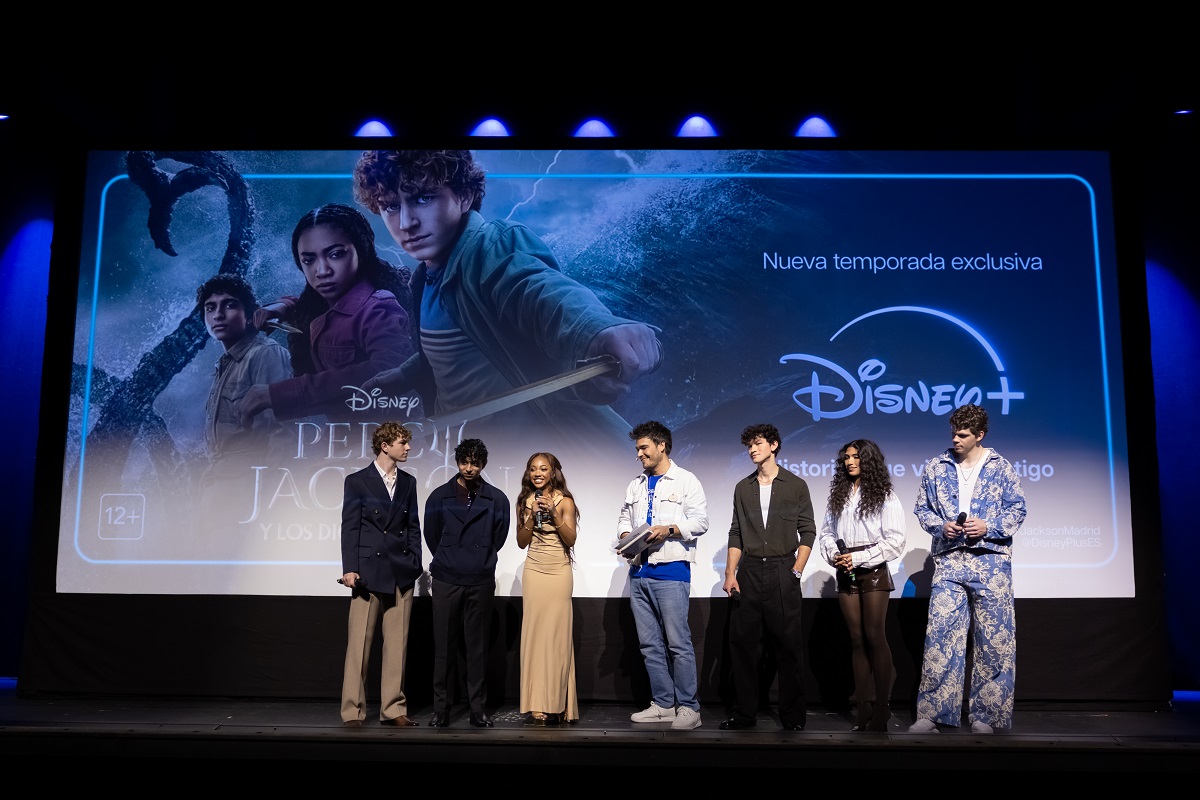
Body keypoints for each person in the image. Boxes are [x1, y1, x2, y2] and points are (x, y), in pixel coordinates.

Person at [352, 150, 662, 446]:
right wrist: (404, 374)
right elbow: (460, 346)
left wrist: (594, 331)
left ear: (463, 195)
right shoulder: (425, 278)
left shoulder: (491, 247)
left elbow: (537, 289)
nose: (406, 223)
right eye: (391, 206)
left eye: (423, 198)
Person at [908, 404, 1026, 735]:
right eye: (953, 433)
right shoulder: (937, 466)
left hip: (990, 563)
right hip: (949, 562)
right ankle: (932, 714)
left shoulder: (1001, 468)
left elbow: (1018, 509)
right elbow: (922, 508)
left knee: (994, 642)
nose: (955, 440)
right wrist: (939, 526)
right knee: (941, 637)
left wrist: (988, 526)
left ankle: (985, 717)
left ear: (979, 436)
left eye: (963, 435)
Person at [242, 203, 414, 424]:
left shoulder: (379, 307)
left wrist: (281, 393)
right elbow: (315, 309)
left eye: (335, 254)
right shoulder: (322, 303)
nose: (322, 271)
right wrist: (282, 306)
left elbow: (389, 369)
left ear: (360, 251)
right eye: (309, 260)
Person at [721, 423, 815, 732]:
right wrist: (730, 572)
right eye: (748, 445)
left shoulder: (795, 484)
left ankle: (792, 716)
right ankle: (744, 713)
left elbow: (808, 530)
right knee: (744, 646)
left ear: (773, 445)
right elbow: (735, 533)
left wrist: (796, 569)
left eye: (758, 443)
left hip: (781, 569)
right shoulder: (742, 487)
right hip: (749, 571)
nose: (752, 449)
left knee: (788, 647)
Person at [616, 420, 709, 730]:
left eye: (644, 448)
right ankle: (664, 704)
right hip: (639, 572)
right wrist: (627, 534)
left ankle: (689, 708)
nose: (639, 454)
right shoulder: (635, 484)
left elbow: (700, 522)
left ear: (661, 446)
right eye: (638, 449)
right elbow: (623, 518)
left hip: (671, 571)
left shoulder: (686, 480)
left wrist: (668, 530)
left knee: (678, 643)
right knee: (649, 644)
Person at [338, 421, 423, 727]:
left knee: (397, 645)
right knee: (359, 644)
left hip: (401, 572)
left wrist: (415, 563)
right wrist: (349, 568)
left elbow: (414, 527)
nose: (409, 447)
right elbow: (350, 526)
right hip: (367, 573)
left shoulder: (409, 482)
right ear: (385, 446)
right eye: (403, 442)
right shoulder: (357, 481)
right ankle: (352, 710)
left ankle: (393, 708)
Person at [818, 439, 907, 732]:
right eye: (846, 457)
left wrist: (859, 558)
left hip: (874, 571)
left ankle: (882, 707)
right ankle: (863, 707)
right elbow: (827, 533)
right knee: (855, 640)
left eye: (856, 457)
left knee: (874, 637)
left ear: (868, 460)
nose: (849, 461)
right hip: (845, 570)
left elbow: (895, 541)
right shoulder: (839, 496)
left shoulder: (885, 495)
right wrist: (834, 555)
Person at [424, 438, 510, 728]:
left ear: (483, 464)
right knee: (443, 648)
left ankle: (477, 710)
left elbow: (498, 538)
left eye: (475, 462)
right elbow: (432, 535)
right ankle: (441, 709)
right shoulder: (438, 496)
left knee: (477, 648)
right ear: (457, 462)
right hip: (447, 578)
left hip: (480, 579)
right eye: (464, 462)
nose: (469, 467)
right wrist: (448, 557)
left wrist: (481, 559)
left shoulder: (497, 499)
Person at [196, 274, 292, 459]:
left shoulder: (264, 353)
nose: (218, 315)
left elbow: (280, 434)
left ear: (250, 315)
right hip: (219, 479)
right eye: (210, 308)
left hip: (250, 477)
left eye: (230, 305)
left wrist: (268, 483)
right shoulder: (225, 364)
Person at [515, 452, 579, 726]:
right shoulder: (523, 501)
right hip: (534, 570)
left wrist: (553, 512)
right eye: (533, 469)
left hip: (558, 572)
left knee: (556, 637)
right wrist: (532, 516)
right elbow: (520, 541)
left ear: (553, 472)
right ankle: (537, 703)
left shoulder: (565, 501)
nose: (537, 473)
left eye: (543, 468)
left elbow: (571, 538)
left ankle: (558, 702)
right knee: (534, 635)